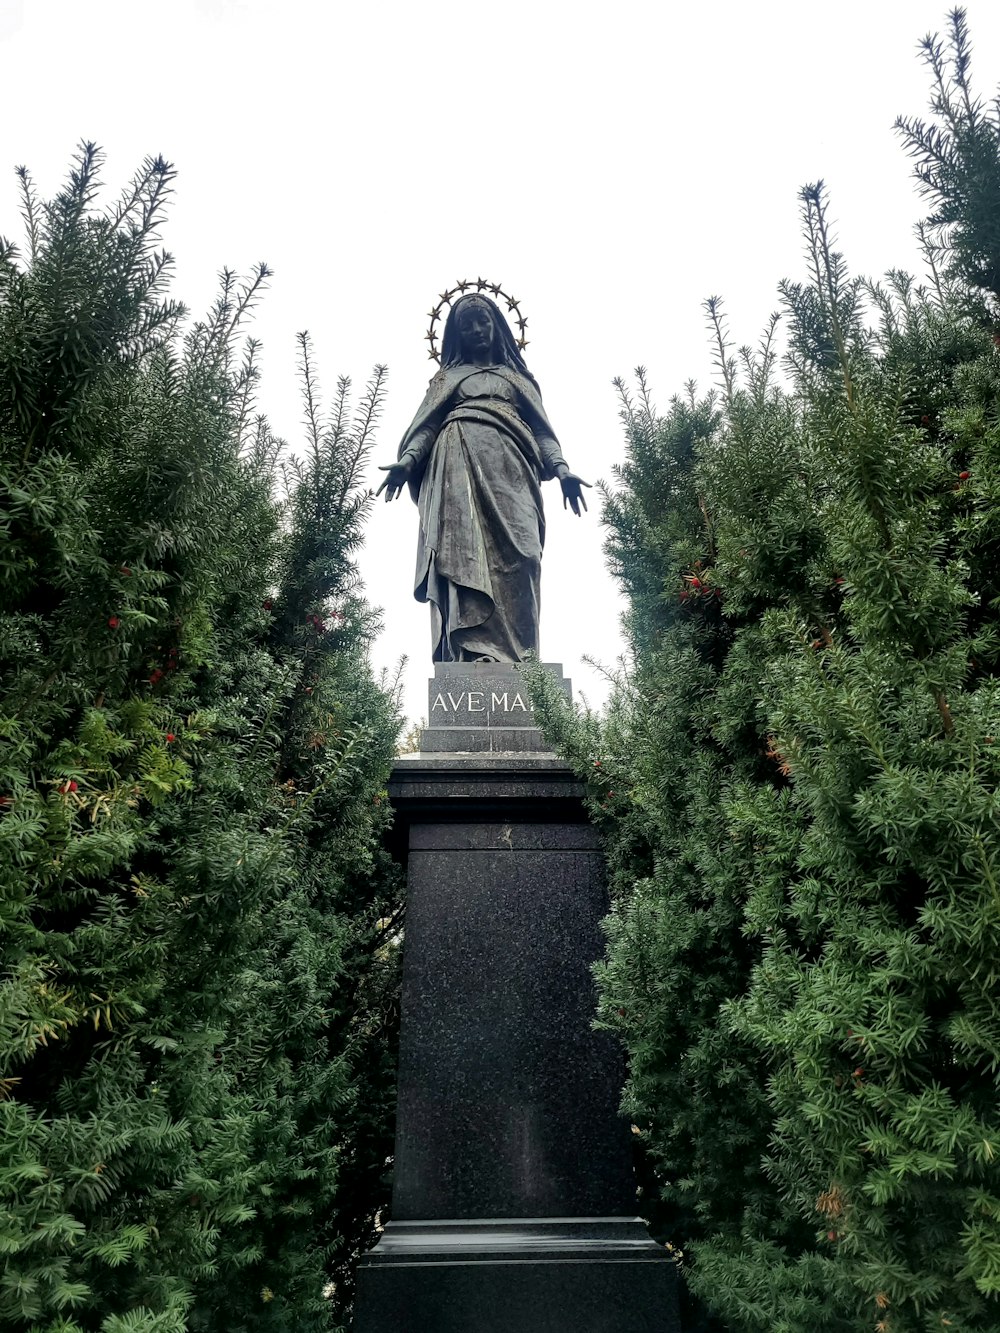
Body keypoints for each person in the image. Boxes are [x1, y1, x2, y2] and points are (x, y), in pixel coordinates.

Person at [377, 294, 590, 663]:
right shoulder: (448, 379)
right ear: (457, 335)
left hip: (513, 468)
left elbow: (542, 432)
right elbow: (426, 427)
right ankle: (475, 652)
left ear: (497, 327)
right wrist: (408, 461)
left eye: (483, 322)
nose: (477, 331)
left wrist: (561, 469)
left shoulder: (518, 380)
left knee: (526, 557)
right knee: (464, 555)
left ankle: (524, 661)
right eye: (467, 326)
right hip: (457, 465)